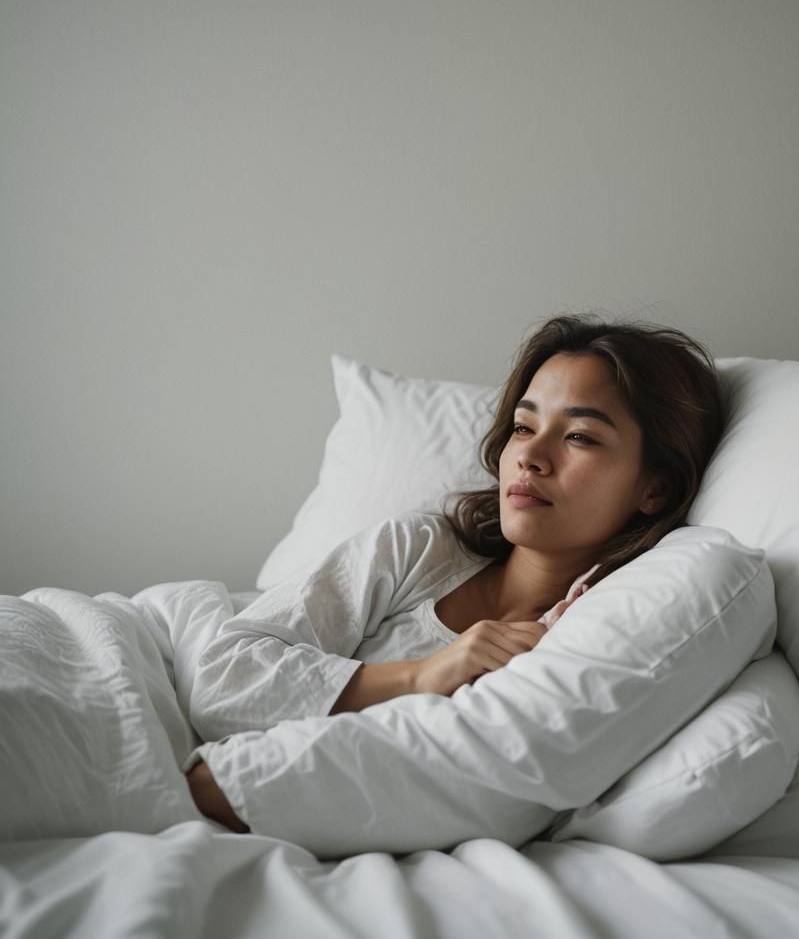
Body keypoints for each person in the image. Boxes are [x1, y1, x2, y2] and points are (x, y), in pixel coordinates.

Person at [185, 313, 723, 831]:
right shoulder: (418, 548)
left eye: (579, 436)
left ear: (656, 488)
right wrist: (423, 675)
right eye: (522, 425)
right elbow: (222, 684)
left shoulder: (591, 645)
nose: (530, 456)